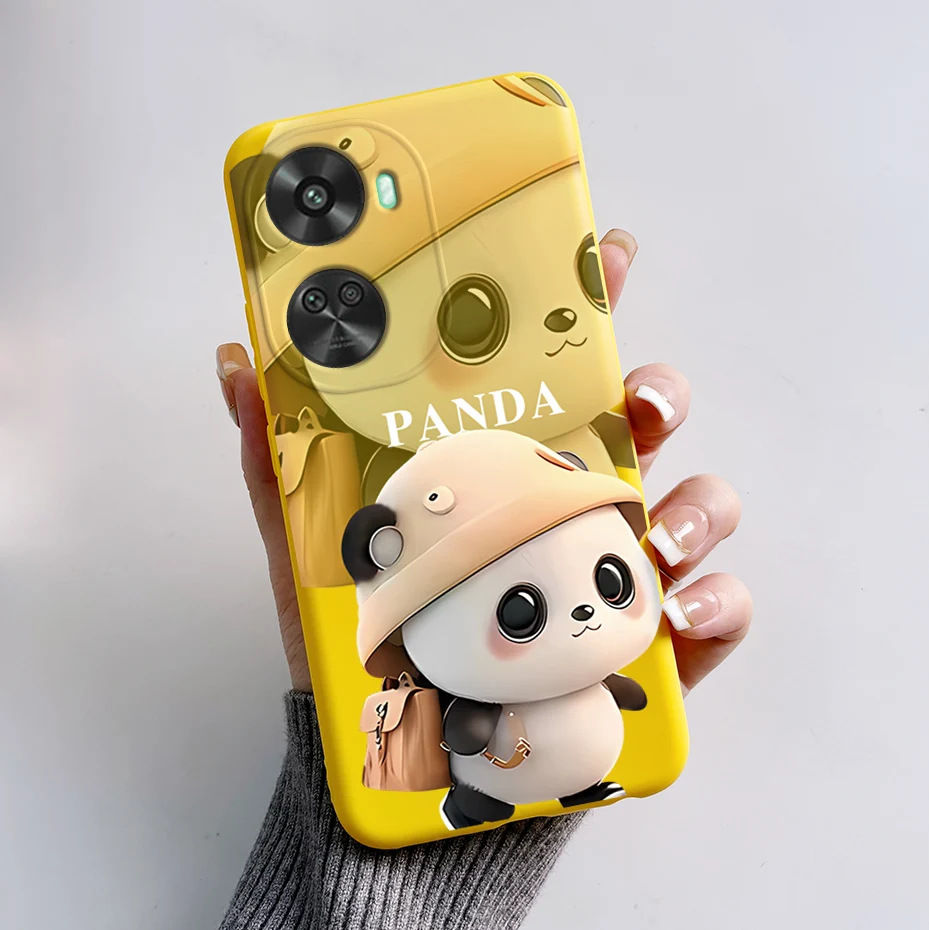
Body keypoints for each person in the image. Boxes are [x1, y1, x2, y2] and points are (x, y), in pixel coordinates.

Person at [214, 229, 753, 930]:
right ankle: (479, 802)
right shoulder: (442, 670)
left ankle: (567, 782)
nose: (587, 616)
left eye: (612, 583)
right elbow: (463, 730)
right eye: (520, 613)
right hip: (480, 783)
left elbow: (617, 686)